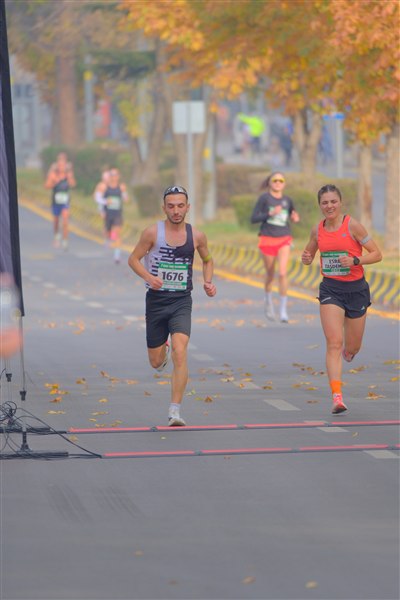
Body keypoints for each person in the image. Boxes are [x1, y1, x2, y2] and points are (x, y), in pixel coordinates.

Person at [128, 185, 217, 426]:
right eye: (171, 206)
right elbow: (133, 259)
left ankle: (174, 410)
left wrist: (208, 281)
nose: (176, 211)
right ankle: (163, 350)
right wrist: (149, 277)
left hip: (181, 301)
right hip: (156, 301)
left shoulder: (197, 236)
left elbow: (208, 260)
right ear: (164, 208)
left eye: (180, 206)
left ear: (188, 207)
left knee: (180, 350)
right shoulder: (151, 233)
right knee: (156, 362)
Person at [301, 184, 382, 414]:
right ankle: (337, 397)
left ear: (340, 203)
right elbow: (308, 254)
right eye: (325, 203)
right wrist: (306, 258)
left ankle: (350, 350)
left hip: (356, 290)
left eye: (333, 201)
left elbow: (377, 254)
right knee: (334, 343)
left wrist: (355, 260)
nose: (329, 206)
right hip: (331, 289)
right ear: (320, 205)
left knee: (352, 346)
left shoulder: (352, 225)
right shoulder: (317, 230)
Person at [250, 172, 300, 322]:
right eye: (275, 180)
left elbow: (292, 215)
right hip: (267, 238)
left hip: (284, 238)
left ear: (284, 184)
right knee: (270, 274)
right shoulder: (264, 199)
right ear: (270, 183)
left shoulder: (287, 200)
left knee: (283, 273)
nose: (278, 182)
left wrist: (295, 218)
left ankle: (283, 310)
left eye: (281, 180)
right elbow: (254, 218)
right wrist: (270, 213)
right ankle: (268, 300)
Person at [96, 168, 128, 263]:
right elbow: (98, 198)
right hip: (108, 214)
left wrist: (124, 192)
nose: (114, 177)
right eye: (112, 175)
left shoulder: (121, 187)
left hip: (117, 214)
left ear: (118, 176)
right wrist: (104, 203)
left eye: (115, 175)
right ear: (109, 176)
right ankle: (108, 238)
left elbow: (126, 199)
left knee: (116, 233)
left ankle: (117, 256)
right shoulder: (104, 187)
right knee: (108, 233)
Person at [45, 152, 76, 250]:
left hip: (65, 202)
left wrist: (69, 176)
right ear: (57, 164)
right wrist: (55, 182)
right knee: (56, 221)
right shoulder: (53, 174)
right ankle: (56, 235)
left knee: (65, 221)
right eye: (60, 164)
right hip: (56, 201)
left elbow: (73, 184)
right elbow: (46, 186)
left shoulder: (68, 174)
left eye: (63, 164)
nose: (61, 166)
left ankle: (65, 241)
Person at [93, 167, 111, 244]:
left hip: (111, 207)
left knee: (113, 223)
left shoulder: (112, 186)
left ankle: (111, 238)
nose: (107, 179)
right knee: (106, 223)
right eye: (106, 178)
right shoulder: (101, 186)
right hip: (103, 207)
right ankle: (106, 239)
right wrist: (105, 202)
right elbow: (96, 198)